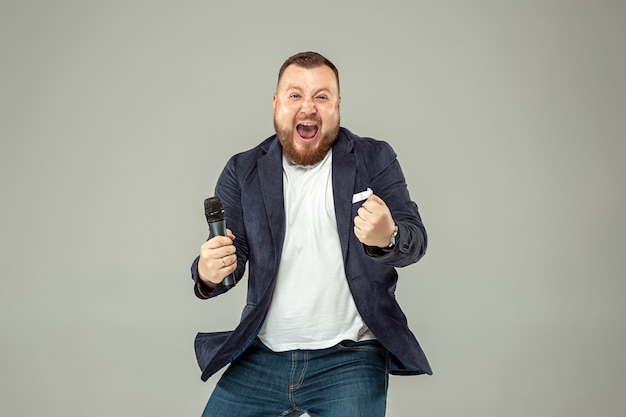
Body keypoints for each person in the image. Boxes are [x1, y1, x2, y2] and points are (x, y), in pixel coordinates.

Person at [190, 51, 431, 417]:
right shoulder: (243, 171)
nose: (309, 107)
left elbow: (416, 240)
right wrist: (208, 274)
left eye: (321, 96)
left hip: (350, 358)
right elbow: (227, 265)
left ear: (337, 106)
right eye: (295, 95)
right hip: (263, 355)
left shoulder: (373, 159)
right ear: (275, 104)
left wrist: (389, 237)